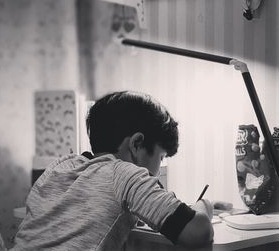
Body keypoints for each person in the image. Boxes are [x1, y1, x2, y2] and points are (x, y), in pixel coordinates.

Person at [12, 91, 214, 250]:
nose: (157, 170)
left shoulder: (60, 165)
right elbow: (198, 232)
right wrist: (203, 205)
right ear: (136, 144)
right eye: (160, 158)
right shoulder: (126, 174)